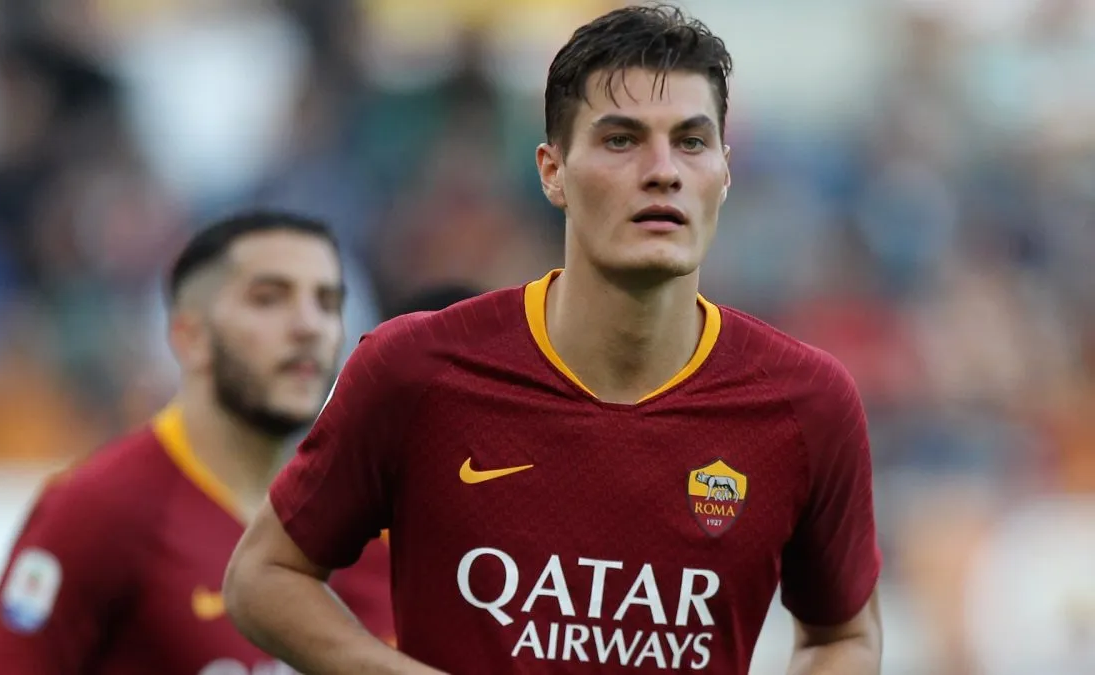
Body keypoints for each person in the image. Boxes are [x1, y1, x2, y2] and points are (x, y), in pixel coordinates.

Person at [223, 5, 883, 674]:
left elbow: (842, 635)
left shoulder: (807, 402)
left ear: (725, 170)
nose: (663, 171)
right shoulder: (416, 369)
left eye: (691, 141)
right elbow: (263, 576)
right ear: (552, 170)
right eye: (621, 139)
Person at [0, 211, 394, 675]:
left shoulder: (371, 523)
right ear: (189, 337)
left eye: (328, 303)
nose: (309, 326)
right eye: (269, 299)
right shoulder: (98, 510)